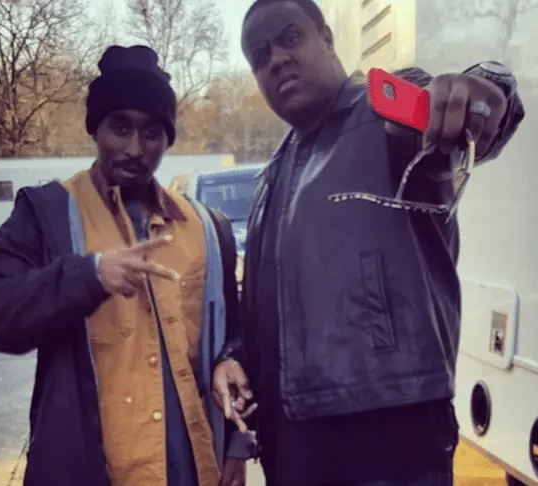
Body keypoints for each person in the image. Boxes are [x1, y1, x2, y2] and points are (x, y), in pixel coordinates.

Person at [212, 1, 525, 485]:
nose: (276, 59)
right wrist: (235, 355)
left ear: (326, 38)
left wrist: (486, 87)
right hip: (290, 448)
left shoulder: (385, 113)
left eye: (290, 38)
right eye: (259, 56)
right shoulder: (269, 177)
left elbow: (456, 109)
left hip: (389, 441)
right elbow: (260, 311)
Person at [0, 45, 253, 486]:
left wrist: (236, 438)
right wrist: (89, 276)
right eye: (119, 127)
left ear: (168, 139)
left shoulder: (205, 226)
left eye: (152, 132)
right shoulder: (47, 213)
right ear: (95, 128)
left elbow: (235, 333)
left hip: (195, 468)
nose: (135, 148)